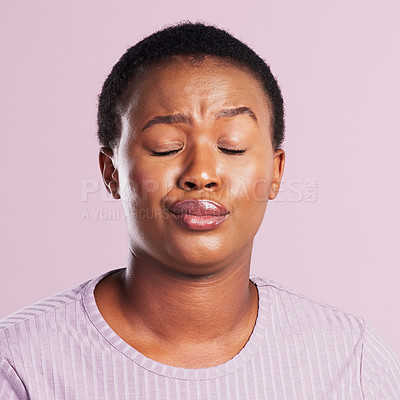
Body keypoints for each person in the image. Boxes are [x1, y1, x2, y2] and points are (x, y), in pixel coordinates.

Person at [1, 22, 399, 400]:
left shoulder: (350, 358)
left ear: (276, 172)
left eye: (232, 146)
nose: (202, 174)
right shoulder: (19, 361)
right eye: (166, 145)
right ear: (112, 173)